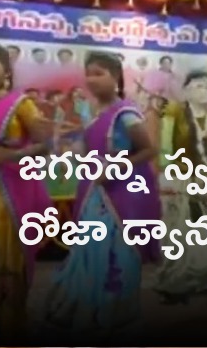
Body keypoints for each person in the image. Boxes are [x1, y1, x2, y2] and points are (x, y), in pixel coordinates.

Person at [45, 51, 161, 335]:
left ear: (116, 77)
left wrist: (115, 168)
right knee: (88, 251)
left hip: (121, 196)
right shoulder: (94, 114)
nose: (91, 79)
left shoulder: (126, 113)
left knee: (118, 255)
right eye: (89, 73)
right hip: (92, 195)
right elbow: (87, 149)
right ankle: (88, 311)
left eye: (99, 73)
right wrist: (66, 151)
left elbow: (149, 150)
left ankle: (116, 317)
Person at [154, 70, 207, 305]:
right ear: (186, 88)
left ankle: (201, 282)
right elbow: (165, 149)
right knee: (177, 233)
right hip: (180, 181)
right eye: (196, 84)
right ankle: (173, 284)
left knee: (206, 234)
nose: (201, 90)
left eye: (206, 86)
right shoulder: (173, 114)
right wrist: (167, 176)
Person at [0, 44, 51, 336]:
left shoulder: (21, 104)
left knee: (9, 267)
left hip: (10, 197)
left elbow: (45, 147)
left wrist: (11, 156)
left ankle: (11, 327)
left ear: (6, 72)